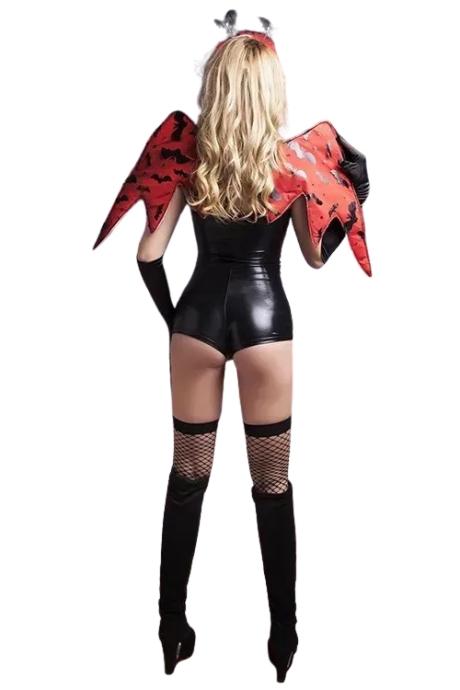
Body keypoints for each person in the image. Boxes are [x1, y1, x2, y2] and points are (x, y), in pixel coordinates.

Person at [93, 9, 371, 683]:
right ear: (272, 90)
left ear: (215, 84)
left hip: (196, 321)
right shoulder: (295, 165)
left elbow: (148, 255)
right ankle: (283, 639)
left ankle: (172, 628)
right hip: (265, 325)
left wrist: (176, 323)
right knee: (271, 484)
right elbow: (314, 257)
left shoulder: (188, 155)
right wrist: (356, 196)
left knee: (188, 475)